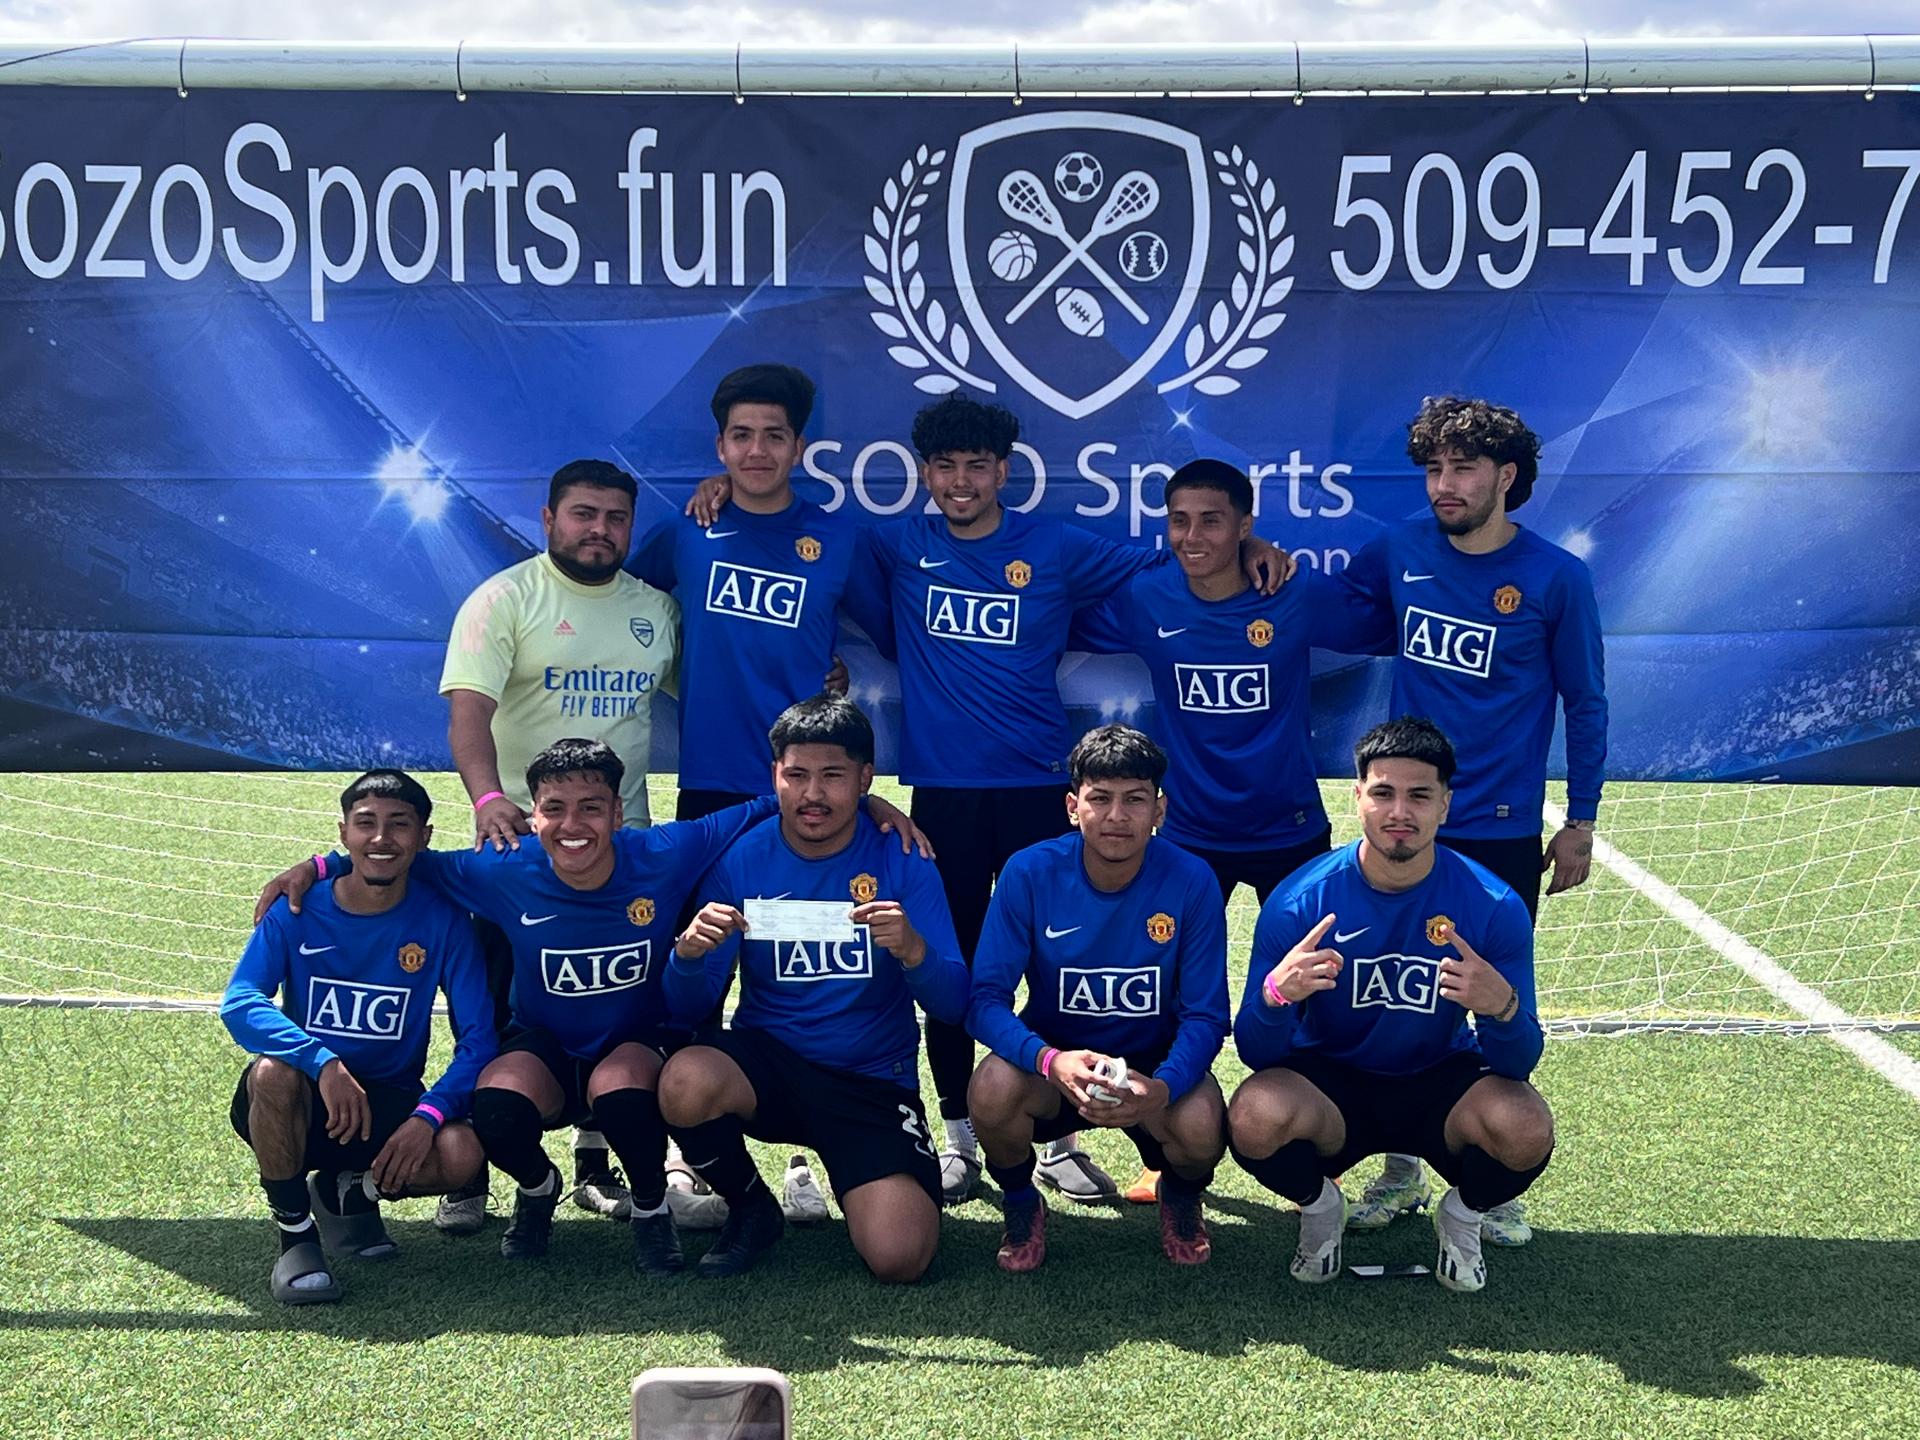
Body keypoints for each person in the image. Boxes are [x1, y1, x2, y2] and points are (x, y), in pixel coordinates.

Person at [692, 395, 1287, 1204]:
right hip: (946, 794)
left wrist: (1246, 539)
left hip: (1041, 788)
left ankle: (1061, 1139)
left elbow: (1172, 563)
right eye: (946, 467)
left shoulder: (1055, 544)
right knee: (952, 965)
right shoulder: (898, 545)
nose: (962, 481)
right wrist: (721, 489)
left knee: (1059, 960)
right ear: (925, 474)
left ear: (1004, 471)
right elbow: (805, 558)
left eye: (979, 466)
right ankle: (960, 1137)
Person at [251, 739, 927, 1277]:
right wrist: (317, 864)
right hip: (546, 1040)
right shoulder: (503, 867)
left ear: (618, 812)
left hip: (636, 1043)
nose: (572, 826)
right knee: (497, 1105)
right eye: (554, 809)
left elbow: (770, 805)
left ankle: (652, 1210)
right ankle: (540, 1189)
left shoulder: (663, 851)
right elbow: (398, 855)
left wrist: (871, 807)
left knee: (624, 1087)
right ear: (533, 814)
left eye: (591, 808)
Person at [1336, 396, 1605, 1243]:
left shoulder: (1558, 577)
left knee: (1489, 1001)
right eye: (1434, 469)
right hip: (1407, 818)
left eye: (1462, 470)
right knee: (1393, 990)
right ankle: (1400, 1166)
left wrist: (1581, 820)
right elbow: (1333, 609)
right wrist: (1263, 565)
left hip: (1497, 823)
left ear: (1507, 477)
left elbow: (1585, 703)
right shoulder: (1401, 549)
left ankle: (1490, 1179)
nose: (1444, 486)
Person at [1225, 718, 1554, 1292]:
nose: (1400, 811)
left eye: (1419, 795)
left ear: (1445, 806)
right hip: (1332, 1083)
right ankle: (1321, 1207)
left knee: (1526, 1127)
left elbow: (1518, 1062)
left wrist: (1502, 1008)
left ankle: (1461, 1215)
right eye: (1383, 793)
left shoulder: (1492, 905)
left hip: (1439, 1081)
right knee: (1254, 1115)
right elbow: (1257, 1052)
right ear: (1358, 798)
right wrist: (1277, 997)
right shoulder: (1299, 902)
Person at [440, 457, 681, 1223]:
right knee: (493, 1006)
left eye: (614, 518)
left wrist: (822, 673)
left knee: (617, 1004)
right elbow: (469, 714)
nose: (599, 530)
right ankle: (471, 1167)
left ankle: (593, 1158)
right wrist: (485, 800)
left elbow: (724, 682)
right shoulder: (504, 598)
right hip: (519, 847)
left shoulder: (655, 610)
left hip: (623, 847)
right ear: (548, 520)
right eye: (583, 514)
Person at [659, 694, 969, 1282]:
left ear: (865, 778)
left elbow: (953, 1002)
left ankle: (866, 1169)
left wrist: (914, 951)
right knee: (684, 1079)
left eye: (833, 775)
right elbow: (690, 1008)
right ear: (774, 775)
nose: (813, 794)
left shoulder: (904, 857)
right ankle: (752, 1209)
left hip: (871, 1078)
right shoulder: (740, 860)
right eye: (796, 775)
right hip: (769, 1067)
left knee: (900, 1259)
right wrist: (686, 956)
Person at [221, 769, 496, 1305]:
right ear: (343, 834)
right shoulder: (298, 908)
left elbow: (480, 1040)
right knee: (271, 1071)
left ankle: (350, 1191)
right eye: (365, 823)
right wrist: (323, 1062)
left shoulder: (444, 921)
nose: (380, 839)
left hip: (386, 1101)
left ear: (425, 838)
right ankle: (295, 1237)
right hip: (304, 1093)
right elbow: (240, 1003)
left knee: (462, 1153)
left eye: (399, 825)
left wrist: (429, 1115)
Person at [965, 725, 1228, 1272]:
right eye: (1100, 798)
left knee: (1203, 1122)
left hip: (1151, 1066)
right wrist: (1050, 1060)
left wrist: (1164, 1086)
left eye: (1135, 800)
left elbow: (1206, 1014)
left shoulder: (1192, 879)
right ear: (1072, 805)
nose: (1116, 816)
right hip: (1056, 1065)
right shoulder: (1029, 871)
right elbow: (985, 999)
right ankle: (1020, 1201)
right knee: (990, 1089)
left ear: (1159, 810)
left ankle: (1180, 1196)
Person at [628, 364, 863, 823]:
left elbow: (896, 626)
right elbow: (621, 602)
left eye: (774, 436)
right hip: (709, 776)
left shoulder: (841, 538)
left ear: (798, 448)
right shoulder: (686, 530)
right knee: (706, 900)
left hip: (808, 779)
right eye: (741, 435)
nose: (757, 451)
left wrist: (835, 664)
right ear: (721, 447)